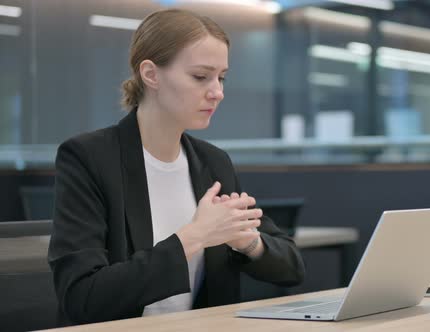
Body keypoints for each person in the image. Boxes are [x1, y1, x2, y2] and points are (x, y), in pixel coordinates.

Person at [48, 8, 305, 326]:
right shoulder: (89, 157)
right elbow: (82, 297)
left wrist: (246, 241)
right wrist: (193, 237)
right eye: (201, 77)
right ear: (151, 74)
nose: (218, 92)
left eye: (221, 77)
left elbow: (291, 266)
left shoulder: (212, 162)